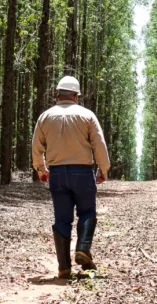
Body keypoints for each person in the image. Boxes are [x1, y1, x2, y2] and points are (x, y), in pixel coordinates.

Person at [32, 76, 110, 278]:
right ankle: (83, 248)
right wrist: (103, 168)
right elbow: (99, 144)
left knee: (62, 219)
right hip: (82, 172)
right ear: (76, 96)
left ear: (57, 94)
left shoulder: (45, 117)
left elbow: (36, 147)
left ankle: (64, 267)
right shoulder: (87, 115)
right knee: (87, 212)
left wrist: (41, 169)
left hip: (56, 173)